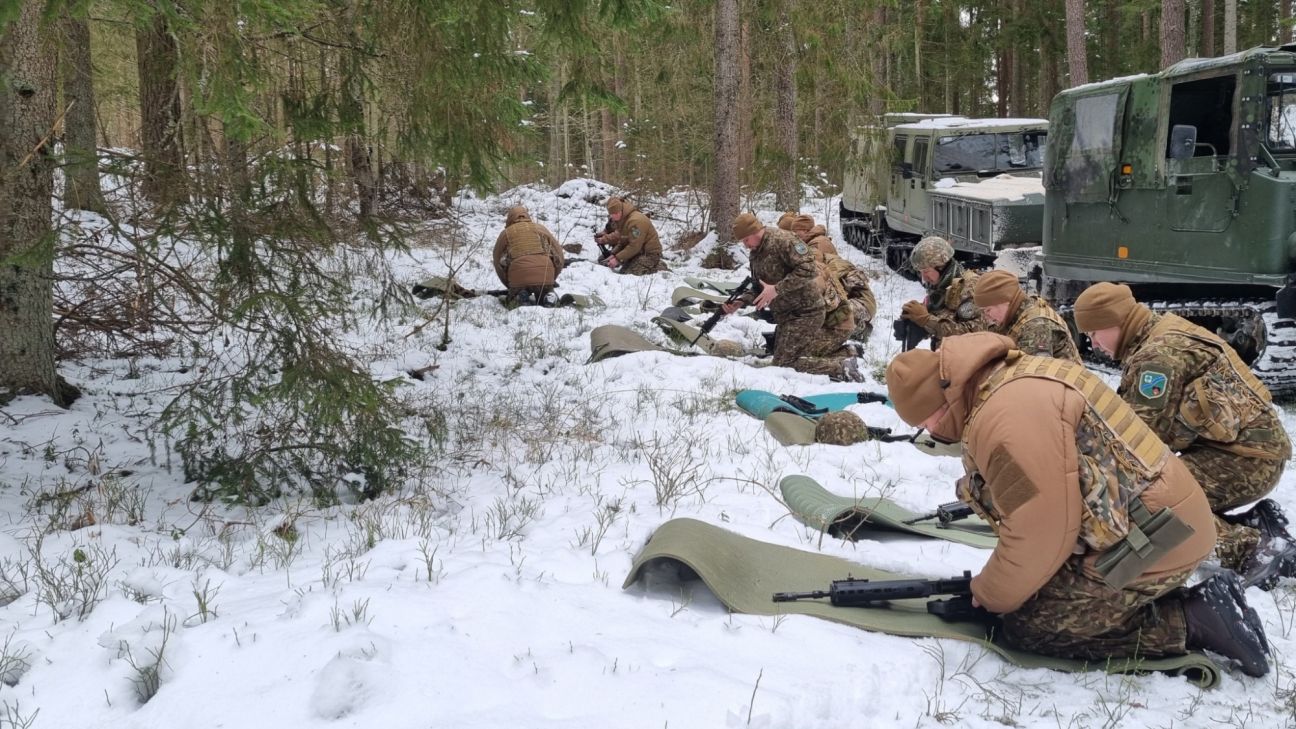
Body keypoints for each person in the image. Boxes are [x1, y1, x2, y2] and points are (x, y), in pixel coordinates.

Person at [885, 332, 1269, 676]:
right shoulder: (1014, 375)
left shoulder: (1004, 416)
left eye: (927, 421)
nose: (932, 432)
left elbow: (1042, 530)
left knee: (1033, 626)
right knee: (1036, 590)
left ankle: (1196, 619)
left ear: (942, 401)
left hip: (1153, 540)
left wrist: (990, 594)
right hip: (1159, 522)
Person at [1072, 282, 1295, 587]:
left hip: (1246, 461)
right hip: (1252, 453)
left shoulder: (1156, 357)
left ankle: (1254, 550)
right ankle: (1257, 524)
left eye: (1094, 333)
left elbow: (1137, 444)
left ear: (1115, 321)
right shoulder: (1160, 331)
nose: (1093, 344)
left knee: (1149, 504)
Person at [722, 212, 862, 381]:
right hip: (787, 316)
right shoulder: (757, 252)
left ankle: (841, 368)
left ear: (753, 232)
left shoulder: (783, 240)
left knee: (783, 364)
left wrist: (777, 289)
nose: (745, 246)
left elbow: (809, 269)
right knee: (782, 356)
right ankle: (846, 354)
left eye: (745, 240)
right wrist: (741, 301)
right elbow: (762, 288)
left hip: (807, 312)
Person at [972, 269, 1080, 362]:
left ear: (1005, 301)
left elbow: (1031, 377)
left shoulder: (1037, 326)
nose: (986, 316)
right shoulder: (1014, 315)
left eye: (988, 310)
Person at [899, 236, 985, 348]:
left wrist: (927, 320)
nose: (924, 278)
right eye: (921, 272)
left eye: (926, 271)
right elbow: (944, 318)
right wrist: (915, 322)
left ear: (941, 266)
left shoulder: (969, 287)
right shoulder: (941, 287)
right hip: (946, 355)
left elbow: (973, 334)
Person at [492, 205, 564, 306]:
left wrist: (510, 284)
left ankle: (520, 295)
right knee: (545, 290)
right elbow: (559, 255)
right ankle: (549, 295)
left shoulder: (505, 233)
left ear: (509, 219)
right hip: (545, 275)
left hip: (518, 276)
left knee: (513, 298)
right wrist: (551, 279)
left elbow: (497, 262)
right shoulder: (540, 228)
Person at [600, 196, 665, 275]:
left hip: (649, 255)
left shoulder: (636, 221)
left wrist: (617, 259)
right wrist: (613, 254)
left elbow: (634, 246)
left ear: (619, 212)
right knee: (603, 260)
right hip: (635, 252)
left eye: (613, 214)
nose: (611, 217)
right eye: (611, 214)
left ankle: (658, 267)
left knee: (627, 274)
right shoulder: (622, 219)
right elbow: (622, 241)